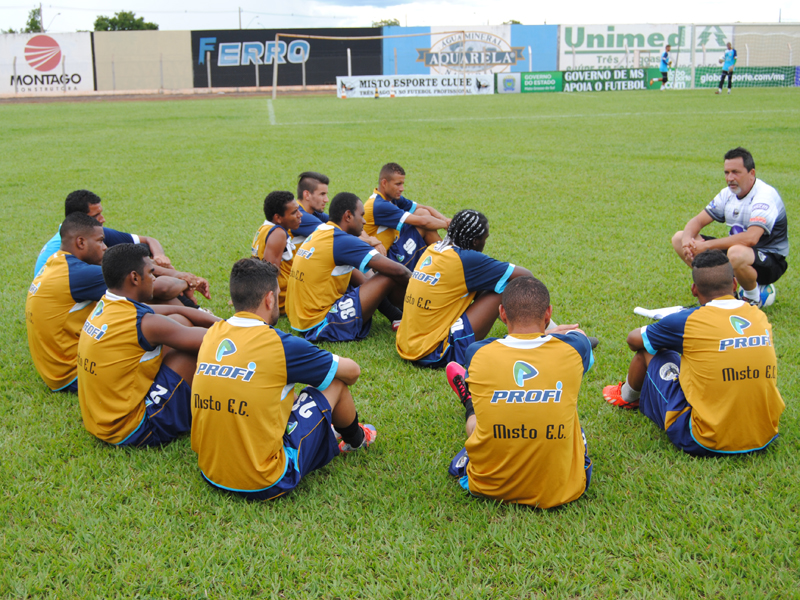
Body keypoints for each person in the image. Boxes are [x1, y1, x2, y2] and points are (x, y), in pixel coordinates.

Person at [191, 259, 376, 500]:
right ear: (269, 299)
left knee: (274, 389)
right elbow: (352, 372)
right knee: (335, 381)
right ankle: (356, 440)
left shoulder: (212, 334)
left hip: (211, 469)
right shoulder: (280, 344)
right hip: (266, 479)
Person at [603, 250, 784, 456]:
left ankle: (627, 396)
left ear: (694, 290)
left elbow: (633, 340)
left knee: (651, 349)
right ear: (734, 284)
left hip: (702, 439)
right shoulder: (758, 316)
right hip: (765, 433)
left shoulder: (687, 320)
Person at [445, 276, 594, 508]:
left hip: (487, 487)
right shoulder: (574, 348)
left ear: (502, 313)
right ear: (548, 314)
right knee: (568, 410)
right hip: (562, 490)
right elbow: (582, 335)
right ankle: (471, 399)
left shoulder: (477, 352)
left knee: (477, 421)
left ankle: (470, 399)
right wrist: (551, 336)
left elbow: (496, 344)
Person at [77, 243, 220, 447]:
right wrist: (245, 330)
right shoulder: (144, 323)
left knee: (179, 320)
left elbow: (181, 313)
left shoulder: (107, 304)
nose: (154, 279)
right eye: (151, 273)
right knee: (195, 349)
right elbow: (214, 342)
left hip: (100, 420)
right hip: (133, 429)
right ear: (135, 278)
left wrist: (222, 322)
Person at [396, 209, 535, 368]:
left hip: (405, 344)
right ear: (476, 241)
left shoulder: (433, 248)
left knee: (485, 283)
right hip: (432, 352)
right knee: (506, 286)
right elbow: (526, 275)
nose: (485, 243)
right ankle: (535, 331)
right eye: (485, 239)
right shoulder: (466, 259)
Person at [35, 189, 211, 305]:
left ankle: (194, 312)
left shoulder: (78, 239)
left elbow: (144, 246)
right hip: (77, 329)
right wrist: (185, 280)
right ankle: (198, 315)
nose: (103, 219)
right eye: (97, 215)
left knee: (145, 266)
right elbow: (158, 288)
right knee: (154, 297)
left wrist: (167, 267)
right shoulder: (75, 269)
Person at [671, 147, 789, 307]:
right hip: (737, 253)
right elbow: (697, 221)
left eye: (736, 172)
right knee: (678, 237)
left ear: (752, 173)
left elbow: (751, 238)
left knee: (736, 252)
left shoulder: (764, 196)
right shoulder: (727, 194)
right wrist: (687, 242)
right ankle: (720, 290)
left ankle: (753, 299)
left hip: (769, 260)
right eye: (727, 172)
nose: (730, 178)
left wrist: (705, 246)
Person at [286, 192, 410, 342]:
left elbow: (365, 282)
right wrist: (425, 293)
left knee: (360, 274)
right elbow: (399, 271)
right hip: (320, 323)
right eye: (361, 215)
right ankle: (415, 315)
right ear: (348, 216)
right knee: (389, 273)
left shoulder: (321, 233)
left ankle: (398, 317)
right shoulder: (342, 240)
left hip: (300, 320)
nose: (364, 221)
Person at [26, 213, 108, 393]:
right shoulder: (78, 274)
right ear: (81, 242)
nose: (105, 247)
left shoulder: (54, 261)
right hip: (74, 374)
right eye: (101, 241)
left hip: (54, 371)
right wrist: (182, 280)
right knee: (166, 334)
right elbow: (150, 288)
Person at [364, 162, 450, 270]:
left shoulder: (391, 199)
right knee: (423, 225)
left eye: (402, 184)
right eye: (398, 184)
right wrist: (447, 225)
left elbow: (426, 208)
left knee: (422, 212)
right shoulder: (378, 205)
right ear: (384, 183)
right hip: (384, 260)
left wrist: (446, 220)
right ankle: (448, 260)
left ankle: (446, 259)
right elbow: (423, 222)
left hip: (394, 248)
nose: (402, 188)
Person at [251, 190, 302, 313]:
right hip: (285, 299)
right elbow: (270, 273)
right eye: (294, 212)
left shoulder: (264, 229)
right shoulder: (278, 233)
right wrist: (271, 308)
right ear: (278, 218)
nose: (300, 215)